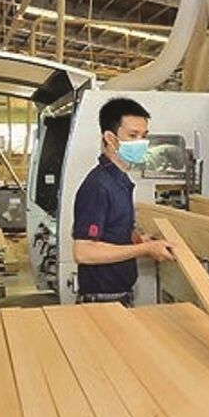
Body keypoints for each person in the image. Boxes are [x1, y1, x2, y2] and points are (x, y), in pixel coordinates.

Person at [72, 97, 175, 306]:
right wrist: (144, 250)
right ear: (111, 138)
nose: (141, 143)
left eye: (144, 136)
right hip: (102, 302)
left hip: (119, 297)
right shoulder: (99, 186)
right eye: (133, 135)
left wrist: (139, 241)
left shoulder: (120, 181)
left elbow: (111, 233)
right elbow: (83, 252)